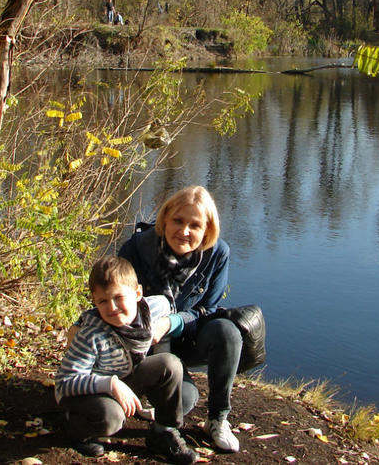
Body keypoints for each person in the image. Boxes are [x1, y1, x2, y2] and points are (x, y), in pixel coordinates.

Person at [118, 186, 243, 453]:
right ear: (164, 219)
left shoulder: (218, 253)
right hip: (146, 342)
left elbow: (208, 309)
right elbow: (115, 303)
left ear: (207, 231)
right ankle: (150, 394)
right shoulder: (137, 249)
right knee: (184, 401)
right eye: (178, 221)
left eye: (195, 225)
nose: (184, 231)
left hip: (187, 334)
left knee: (227, 331)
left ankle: (218, 419)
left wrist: (172, 322)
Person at [55, 257, 197, 464]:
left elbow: (167, 305)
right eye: (103, 301)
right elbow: (64, 382)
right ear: (94, 302)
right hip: (85, 392)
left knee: (170, 364)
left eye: (118, 297)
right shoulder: (91, 335)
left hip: (123, 376)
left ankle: (163, 431)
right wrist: (110, 384)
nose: (112, 307)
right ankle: (75, 428)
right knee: (113, 418)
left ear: (138, 294)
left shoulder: (152, 308)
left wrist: (168, 325)